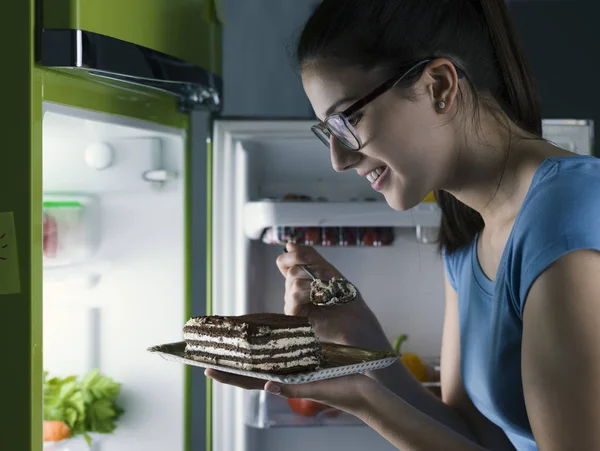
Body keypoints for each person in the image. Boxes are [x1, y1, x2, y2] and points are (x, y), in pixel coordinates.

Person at [205, 0, 600, 449]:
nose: (338, 158)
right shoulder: (469, 234)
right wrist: (362, 342)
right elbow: (478, 437)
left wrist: (365, 400)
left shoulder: (566, 214)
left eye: (348, 119)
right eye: (328, 130)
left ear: (438, 86)